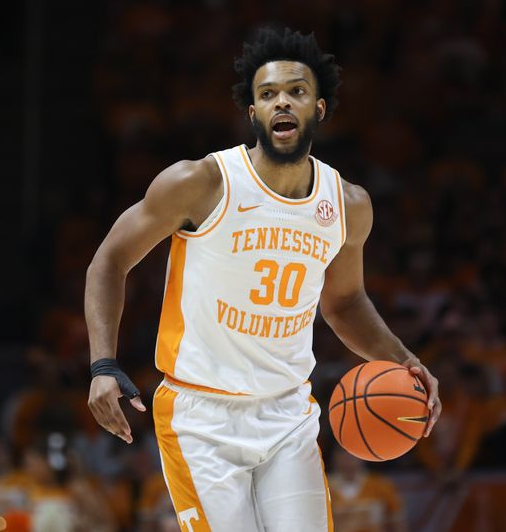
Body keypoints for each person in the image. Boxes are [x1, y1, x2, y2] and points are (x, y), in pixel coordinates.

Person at [85, 27, 441, 532]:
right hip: (200, 417)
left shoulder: (347, 205)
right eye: (268, 94)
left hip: (288, 414)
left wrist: (405, 360)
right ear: (252, 113)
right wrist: (102, 363)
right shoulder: (201, 183)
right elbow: (108, 261)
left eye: (296, 91)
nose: (282, 103)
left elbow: (344, 303)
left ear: (319, 108)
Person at [328, 448, 406, 532]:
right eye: (343, 455)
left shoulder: (381, 484)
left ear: (363, 456)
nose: (348, 460)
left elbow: (398, 521)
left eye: (351, 455)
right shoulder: (325, 487)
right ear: (335, 458)